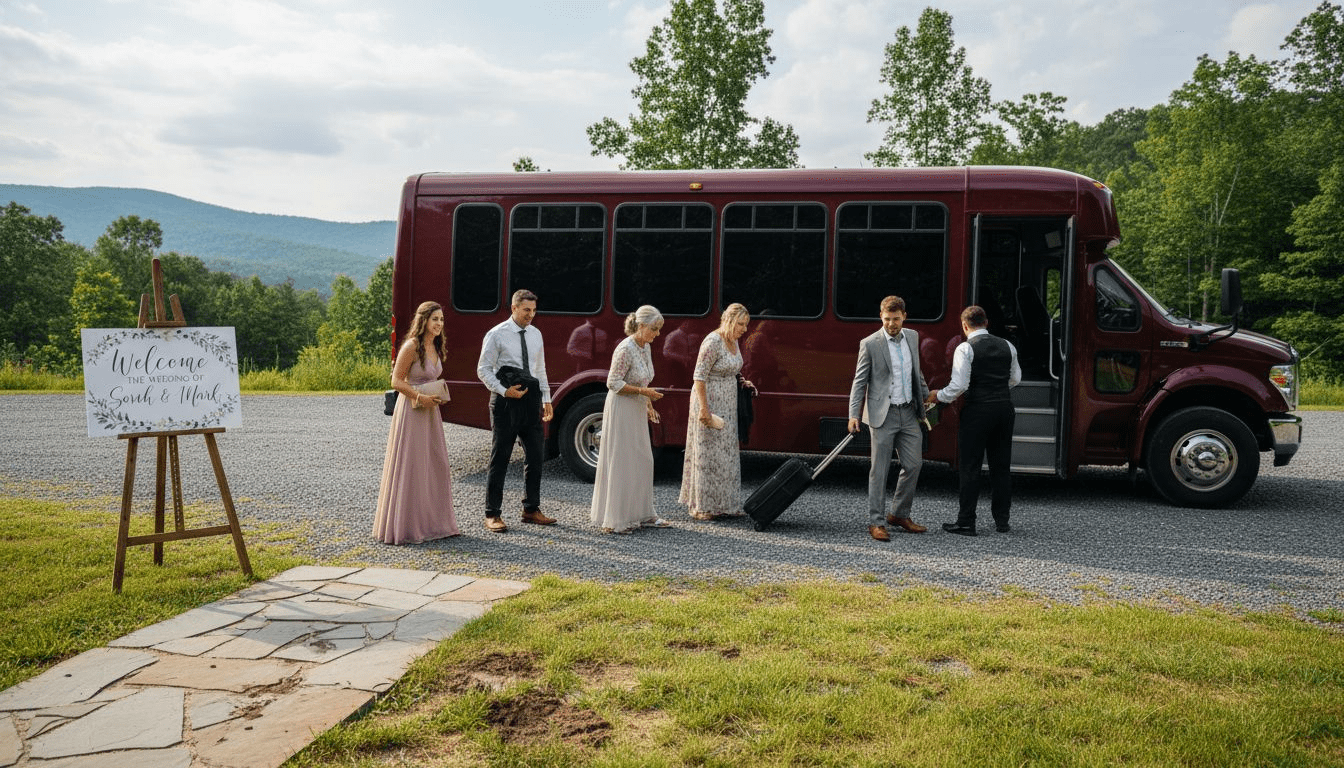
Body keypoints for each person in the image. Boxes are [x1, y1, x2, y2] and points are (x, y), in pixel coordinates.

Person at [927, 305, 1022, 536]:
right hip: (1003, 408)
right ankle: (1002, 521)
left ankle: (967, 521)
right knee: (1001, 466)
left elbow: (960, 385)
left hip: (978, 410)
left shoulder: (965, 348)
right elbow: (1016, 379)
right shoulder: (1007, 346)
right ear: (986, 322)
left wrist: (938, 395)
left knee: (970, 466)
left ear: (964, 325)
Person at [373, 301, 460, 544]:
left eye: (442, 320)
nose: (439, 324)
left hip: (431, 413)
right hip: (411, 411)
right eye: (435, 319)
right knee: (412, 466)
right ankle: (407, 526)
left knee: (434, 464)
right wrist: (419, 396)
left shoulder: (435, 345)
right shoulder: (412, 345)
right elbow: (396, 381)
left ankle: (434, 523)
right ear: (423, 321)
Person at [848, 295, 931, 542]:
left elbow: (917, 371)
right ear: (880, 317)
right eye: (886, 319)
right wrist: (854, 414)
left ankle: (899, 514)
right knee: (879, 470)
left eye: (896, 319)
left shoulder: (913, 337)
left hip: (908, 412)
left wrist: (926, 396)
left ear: (904, 316)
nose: (891, 324)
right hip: (882, 414)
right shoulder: (870, 343)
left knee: (914, 464)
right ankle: (876, 522)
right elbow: (859, 381)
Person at [477, 289, 555, 533]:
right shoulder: (497, 334)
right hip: (505, 402)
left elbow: (539, 369)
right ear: (514, 308)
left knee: (535, 456)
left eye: (534, 310)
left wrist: (546, 398)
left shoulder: (536, 334)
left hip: (531, 401)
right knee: (500, 457)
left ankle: (531, 509)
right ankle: (492, 514)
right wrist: (504, 390)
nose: (531, 315)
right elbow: (483, 369)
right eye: (526, 310)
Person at [590, 305, 669, 534]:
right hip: (622, 408)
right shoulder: (625, 349)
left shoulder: (645, 348)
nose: (657, 334)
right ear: (641, 326)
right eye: (654, 329)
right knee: (623, 461)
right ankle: (617, 518)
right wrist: (645, 394)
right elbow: (613, 383)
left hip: (635, 407)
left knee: (643, 459)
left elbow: (643, 382)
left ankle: (643, 512)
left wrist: (648, 404)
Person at [680, 303, 753, 520]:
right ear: (728, 321)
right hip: (708, 401)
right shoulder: (713, 341)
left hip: (729, 403)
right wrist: (704, 409)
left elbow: (731, 369)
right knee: (707, 454)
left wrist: (742, 381)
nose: (744, 329)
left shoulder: (734, 341)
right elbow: (699, 376)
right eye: (740, 324)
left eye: (746, 324)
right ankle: (701, 506)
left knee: (726, 454)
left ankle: (725, 504)